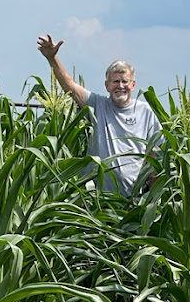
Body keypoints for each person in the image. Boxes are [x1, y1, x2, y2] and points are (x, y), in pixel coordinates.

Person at [37, 34, 162, 196]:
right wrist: (52, 58)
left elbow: (154, 156)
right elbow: (70, 87)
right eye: (115, 81)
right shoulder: (97, 105)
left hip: (133, 201)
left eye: (125, 81)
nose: (121, 86)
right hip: (97, 200)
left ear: (133, 84)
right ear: (107, 85)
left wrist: (151, 198)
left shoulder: (145, 112)